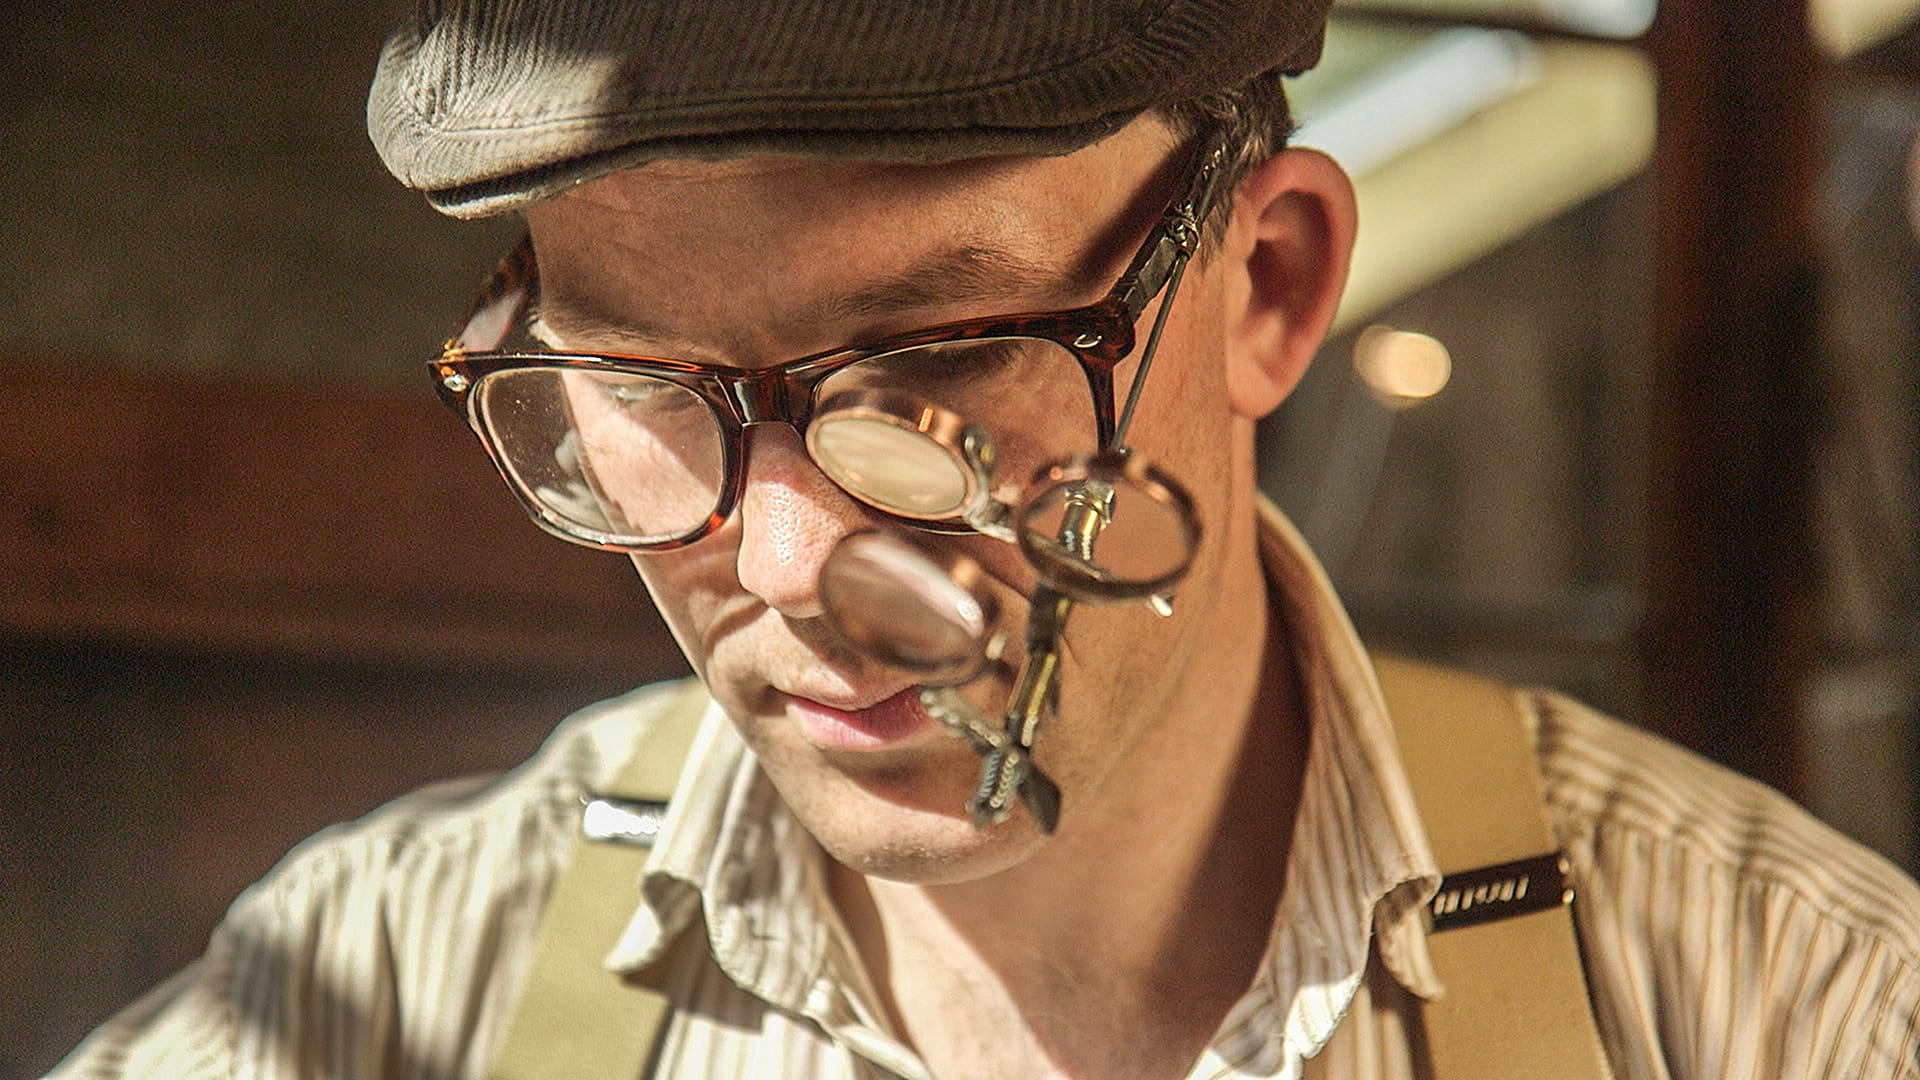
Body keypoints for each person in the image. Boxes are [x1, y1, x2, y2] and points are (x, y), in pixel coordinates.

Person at [53, 1, 1920, 1077]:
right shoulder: (388, 988)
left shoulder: (1789, 1011)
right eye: (637, 385)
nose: (788, 565)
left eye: (942, 367)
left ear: (1271, 284)